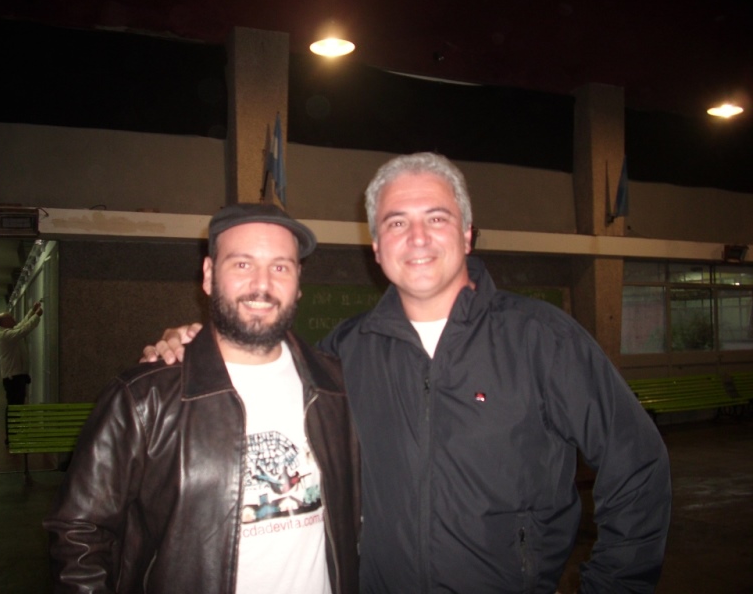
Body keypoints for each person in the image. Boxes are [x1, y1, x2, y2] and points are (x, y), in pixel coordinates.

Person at [144, 153, 672, 593]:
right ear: (376, 246)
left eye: (436, 218)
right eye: (396, 223)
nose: (417, 238)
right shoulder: (343, 353)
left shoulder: (542, 339)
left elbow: (638, 465)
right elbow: (258, 362)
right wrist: (194, 347)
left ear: (467, 234)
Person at [45, 203, 360, 594]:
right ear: (209, 276)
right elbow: (79, 535)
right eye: (242, 264)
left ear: (298, 282)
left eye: (280, 267)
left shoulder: (338, 387)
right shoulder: (144, 398)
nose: (262, 284)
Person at [0, 300, 43, 443]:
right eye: (10, 318)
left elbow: (21, 325)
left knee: (16, 406)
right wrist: (37, 316)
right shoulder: (6, 335)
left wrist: (32, 311)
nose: (14, 319)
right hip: (13, 378)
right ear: (4, 322)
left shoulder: (9, 332)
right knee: (14, 407)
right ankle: (11, 437)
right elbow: (24, 330)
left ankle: (14, 434)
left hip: (16, 376)